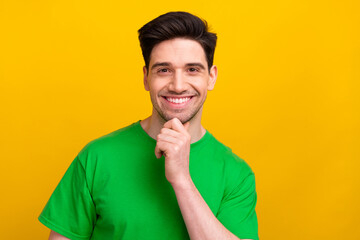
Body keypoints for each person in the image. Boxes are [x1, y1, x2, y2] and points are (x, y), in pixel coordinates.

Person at [39, 11, 259, 240]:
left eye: (192, 69)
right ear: (146, 77)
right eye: (164, 70)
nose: (178, 85)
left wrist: (182, 180)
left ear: (211, 77)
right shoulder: (96, 157)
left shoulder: (236, 174)